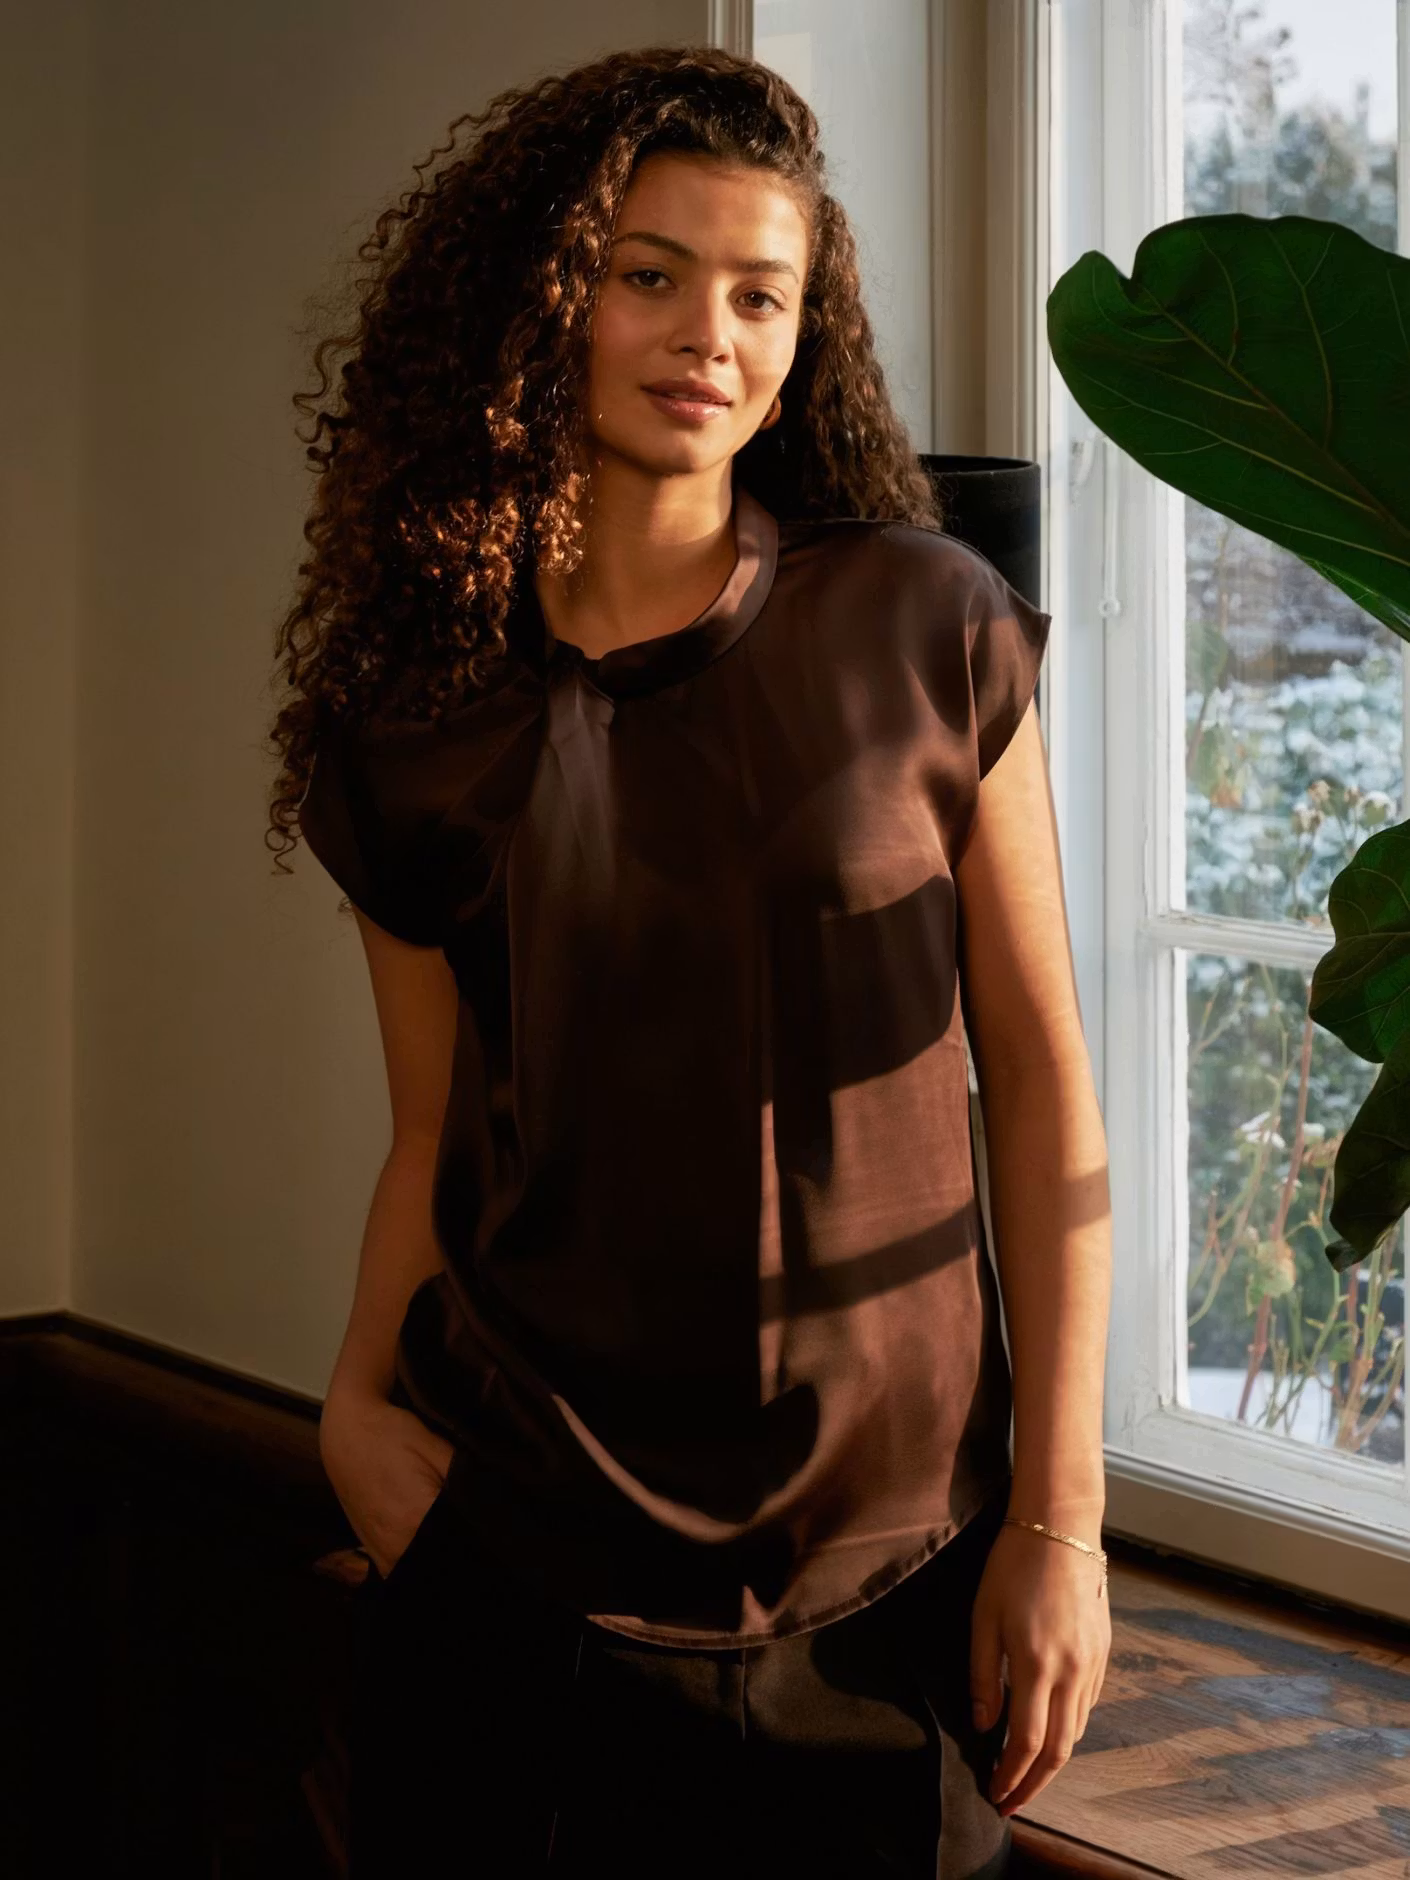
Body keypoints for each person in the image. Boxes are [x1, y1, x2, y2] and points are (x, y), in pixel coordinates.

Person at [266, 43, 1112, 1880]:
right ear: (543, 300)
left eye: (759, 294)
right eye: (648, 275)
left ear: (807, 332)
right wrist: (351, 1407)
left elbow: (1043, 1086)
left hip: (891, 1603)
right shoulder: (410, 727)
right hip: (517, 1582)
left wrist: (1060, 1524)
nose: (707, 337)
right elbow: (433, 1136)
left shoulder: (927, 626)